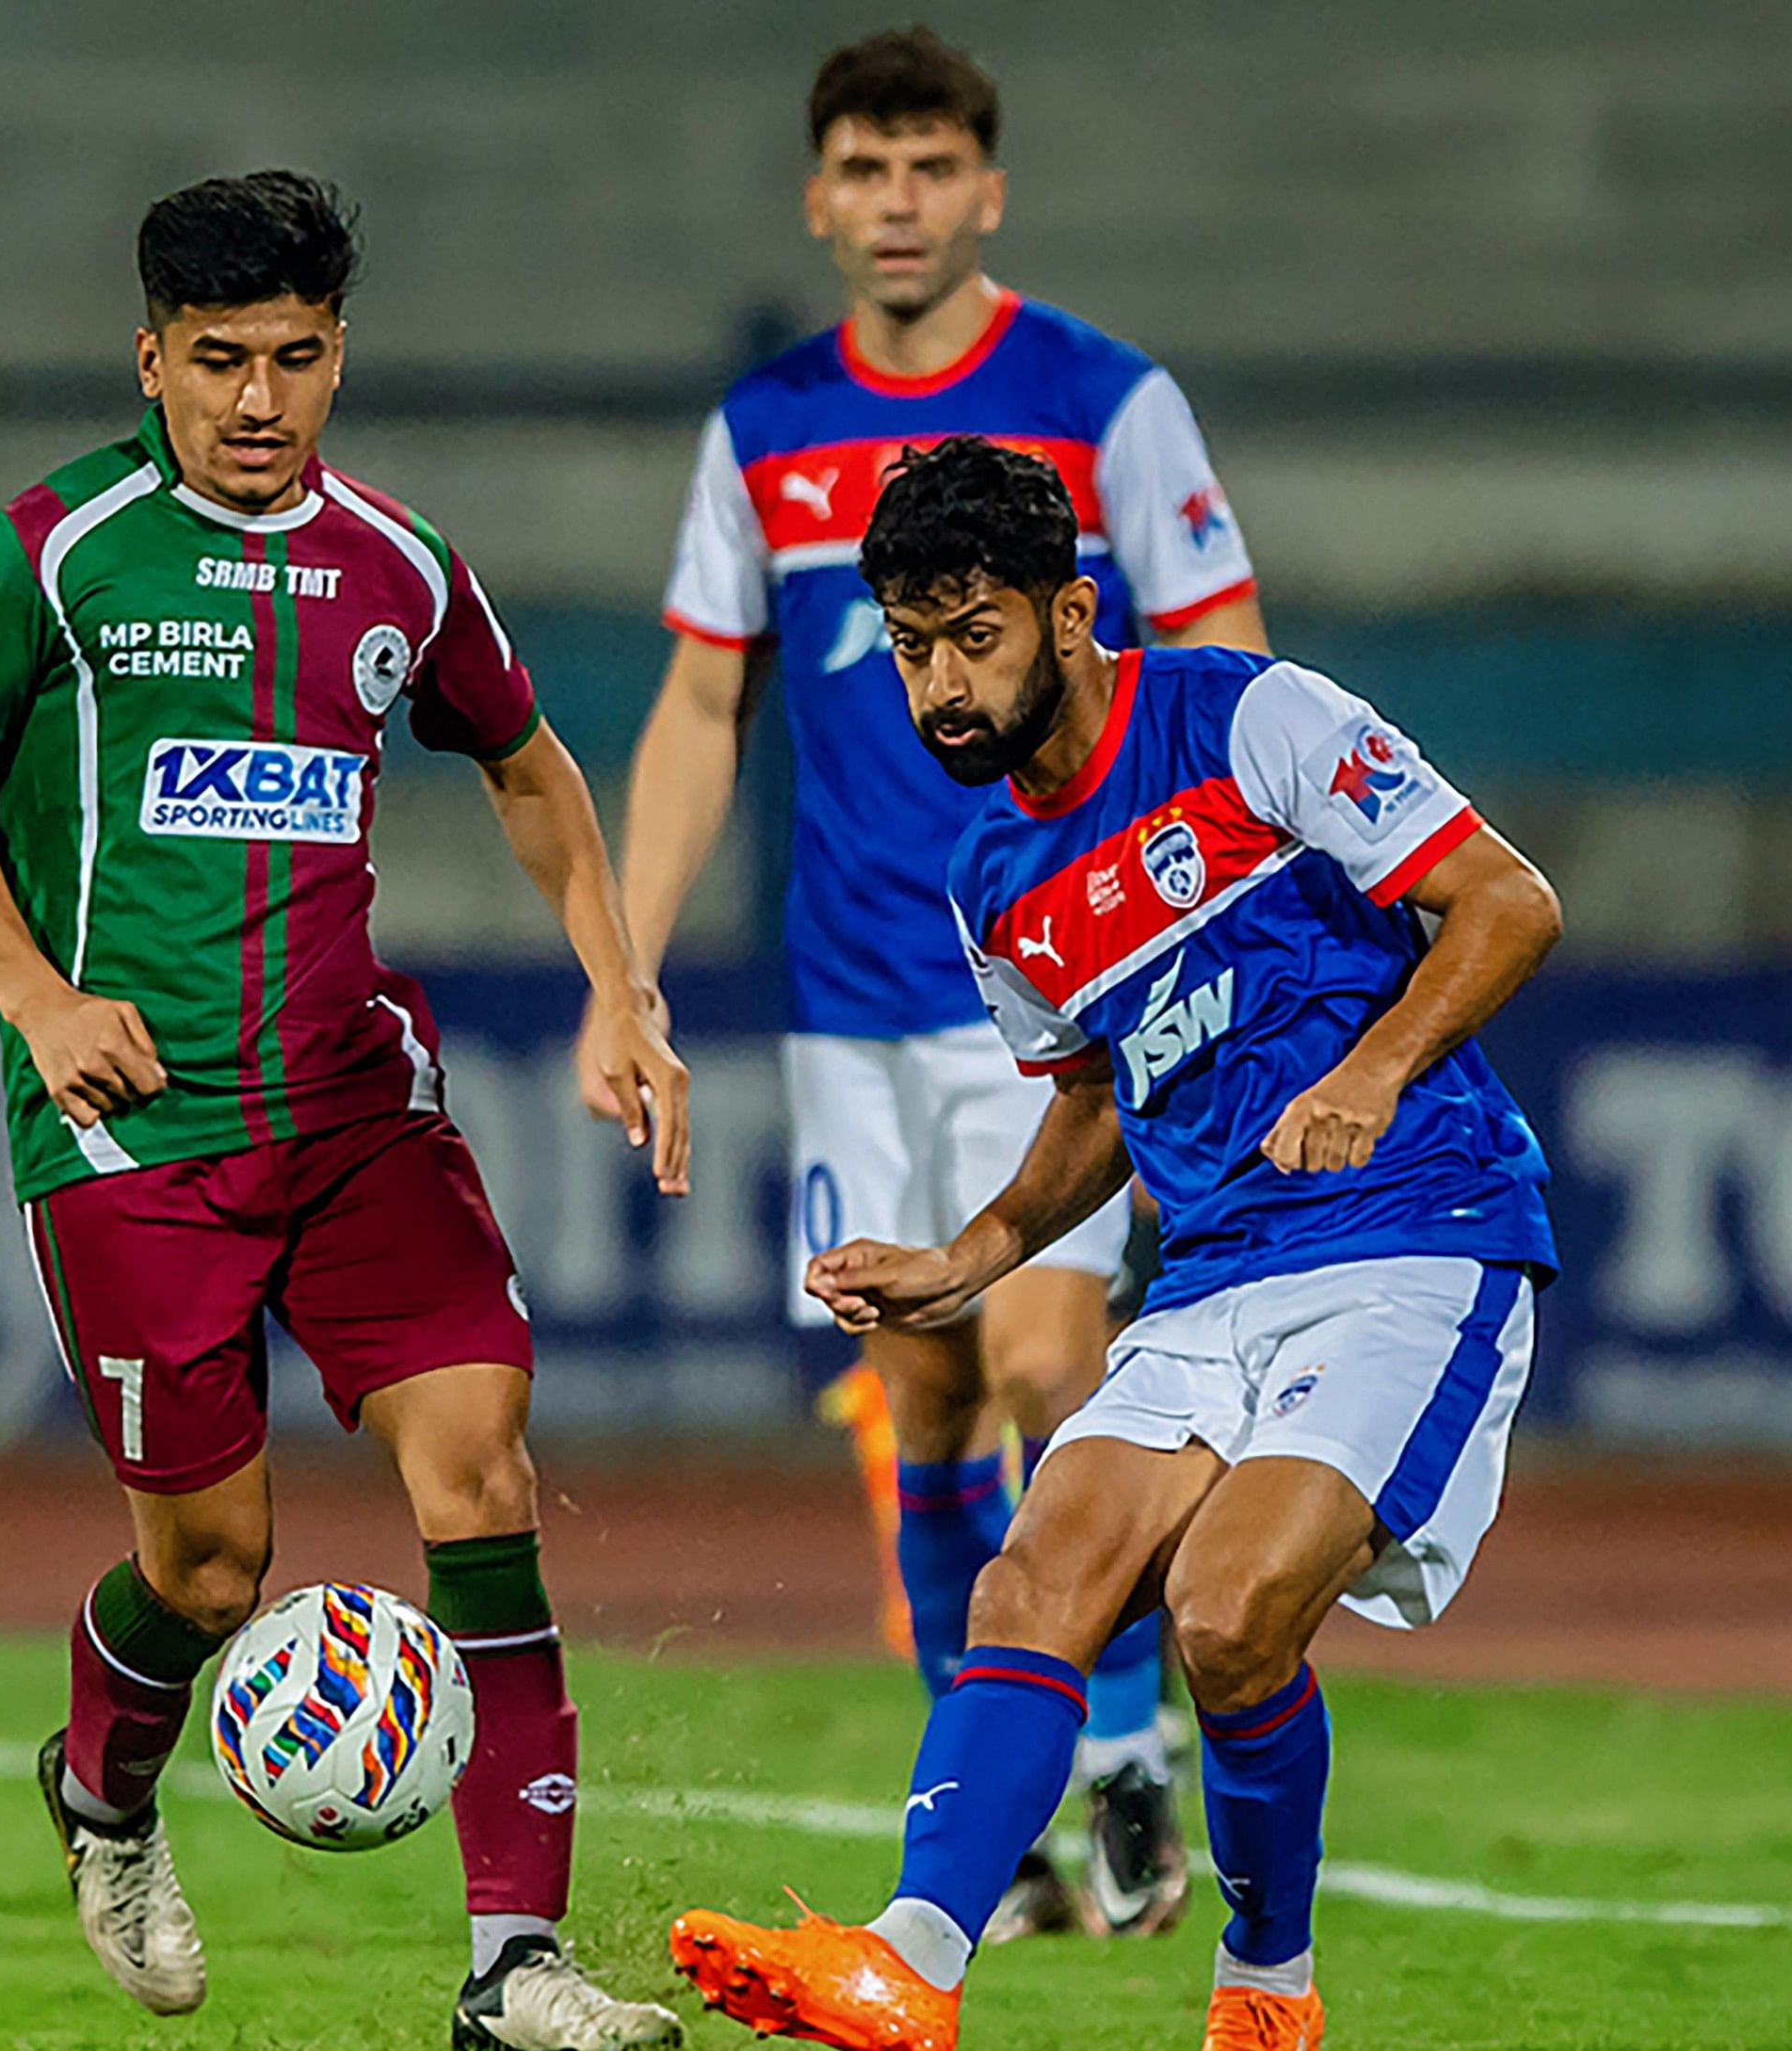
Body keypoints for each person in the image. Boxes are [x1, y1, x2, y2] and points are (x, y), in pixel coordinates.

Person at [0, 169, 688, 2051]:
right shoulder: (58, 546)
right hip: (132, 1133)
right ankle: (101, 1792)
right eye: (218, 361)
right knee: (210, 1568)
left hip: (350, 1114)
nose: (257, 401)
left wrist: (619, 985)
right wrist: (37, 997)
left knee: (478, 1472)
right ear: (148, 359)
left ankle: (513, 1969)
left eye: (295, 361)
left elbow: (537, 773)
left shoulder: (401, 566)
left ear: (338, 358)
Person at [667, 438, 1561, 2051]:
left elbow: (1508, 901)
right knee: (1033, 1581)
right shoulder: (993, 875)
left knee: (1225, 1612)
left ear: (1070, 611)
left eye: (976, 635)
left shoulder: (1246, 717)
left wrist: (1371, 1069)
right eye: (914, 645)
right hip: (1214, 1271)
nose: (942, 682)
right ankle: (909, 1965)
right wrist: (974, 1251)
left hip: (1412, 1240)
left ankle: (1266, 1992)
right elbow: (1096, 1093)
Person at [619, 24, 1268, 1941]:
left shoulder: (1107, 401)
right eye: (863, 169)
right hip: (847, 1000)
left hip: (1064, 976)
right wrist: (622, 968)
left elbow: (1220, 654)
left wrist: (1204, 909)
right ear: (818, 199)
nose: (896, 203)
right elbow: (698, 695)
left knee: (1054, 1358)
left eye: (929, 167)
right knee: (919, 1403)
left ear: (984, 188)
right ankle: (974, 1834)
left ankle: (1131, 1760)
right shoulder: (761, 433)